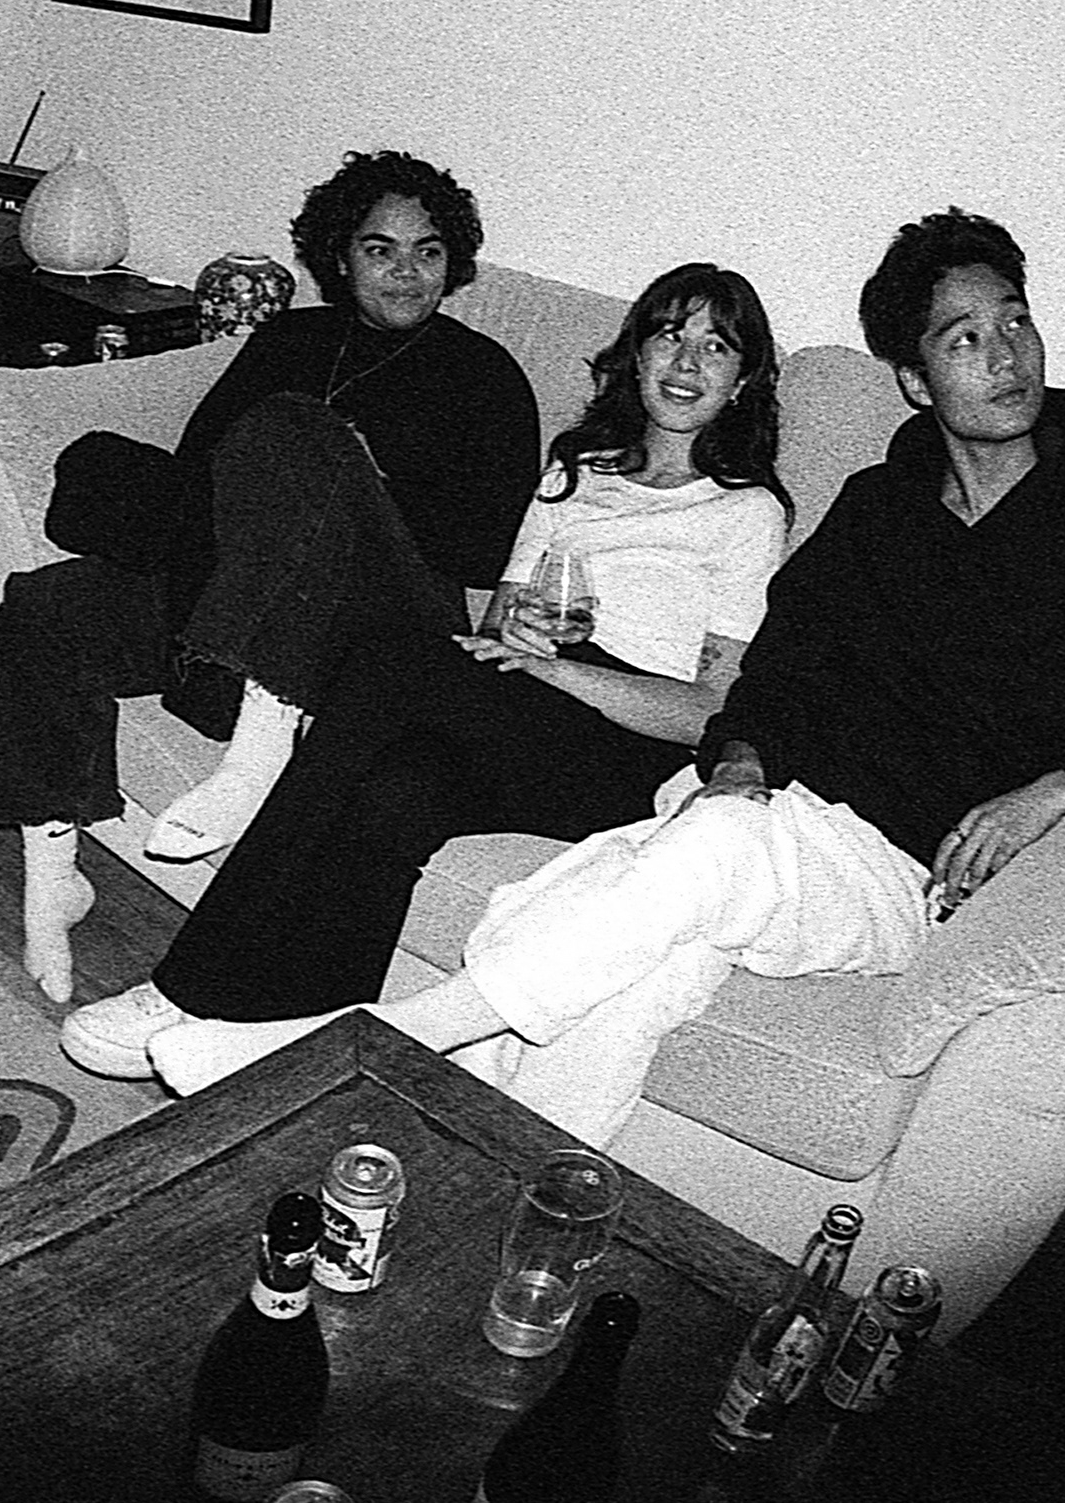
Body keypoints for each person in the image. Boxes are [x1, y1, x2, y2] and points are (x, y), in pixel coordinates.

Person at [143, 212, 1065, 1152]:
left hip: (892, 862)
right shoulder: (879, 508)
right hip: (775, 802)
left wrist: (1054, 790)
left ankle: (339, 1045)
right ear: (915, 379)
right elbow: (778, 666)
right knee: (624, 974)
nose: (1006, 354)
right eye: (965, 336)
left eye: (1015, 321)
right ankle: (494, 1171)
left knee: (706, 855)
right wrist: (737, 756)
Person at [57, 265, 790, 1070]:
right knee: (399, 791)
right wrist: (523, 636)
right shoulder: (575, 470)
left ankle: (187, 986)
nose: (685, 362)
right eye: (669, 335)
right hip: (527, 693)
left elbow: (709, 711)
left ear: (742, 379)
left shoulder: (745, 511)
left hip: (625, 741)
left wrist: (556, 673)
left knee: (389, 663)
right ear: (636, 353)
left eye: (715, 347)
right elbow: (497, 621)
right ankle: (317, 1052)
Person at [0, 152, 545, 997]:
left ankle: (256, 749)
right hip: (243, 590)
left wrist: (357, 484)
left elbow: (487, 550)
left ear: (453, 262)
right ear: (340, 256)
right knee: (50, 599)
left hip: (386, 628)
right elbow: (202, 470)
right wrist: (283, 498)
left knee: (295, 431)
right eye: (381, 249)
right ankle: (52, 872)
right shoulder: (292, 339)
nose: (406, 271)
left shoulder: (484, 375)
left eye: (428, 252)